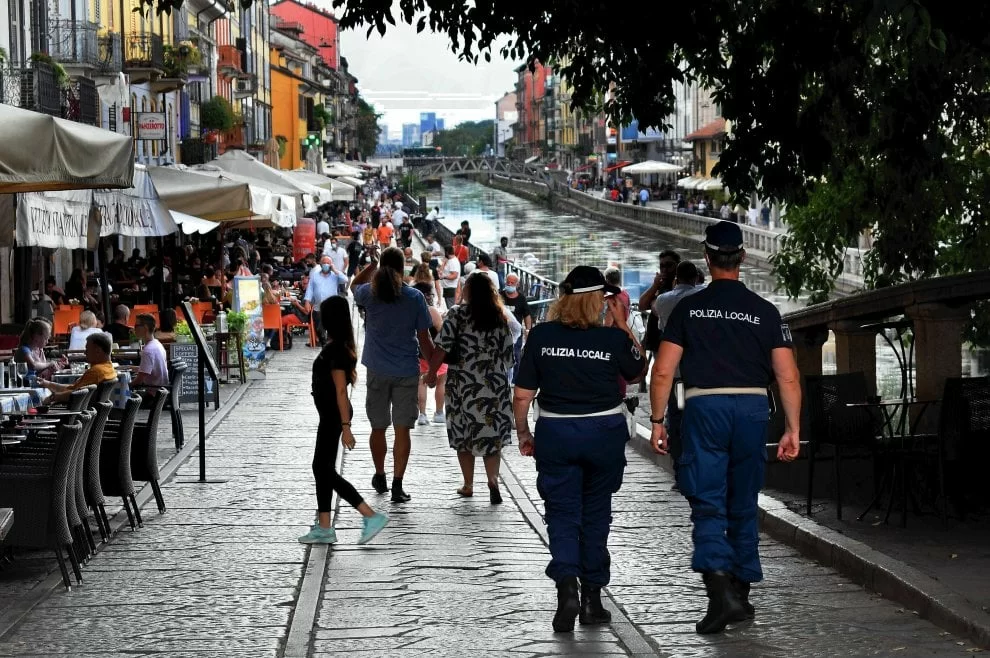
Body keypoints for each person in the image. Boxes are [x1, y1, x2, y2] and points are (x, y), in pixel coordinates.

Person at [648, 221, 801, 635]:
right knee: (744, 498)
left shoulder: (687, 309)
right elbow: (787, 376)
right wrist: (793, 428)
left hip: (704, 407)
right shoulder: (766, 311)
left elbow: (662, 371)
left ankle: (720, 593)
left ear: (707, 258)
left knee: (708, 499)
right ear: (743, 259)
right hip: (753, 406)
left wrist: (658, 420)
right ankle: (742, 590)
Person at [513, 266, 646, 632]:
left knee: (562, 513)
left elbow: (523, 395)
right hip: (603, 431)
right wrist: (623, 326)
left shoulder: (540, 335)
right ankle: (592, 600)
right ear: (597, 301)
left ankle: (566, 589)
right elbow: (638, 371)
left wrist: (524, 432)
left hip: (557, 431)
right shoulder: (612, 339)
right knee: (596, 514)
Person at [299, 296, 390, 545]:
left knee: (323, 469)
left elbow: (341, 390)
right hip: (330, 414)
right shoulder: (337, 346)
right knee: (322, 469)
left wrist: (345, 428)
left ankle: (369, 515)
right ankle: (325, 526)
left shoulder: (336, 350)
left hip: (334, 415)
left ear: (331, 319)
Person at [349, 246, 436, 503]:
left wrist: (373, 264)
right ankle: (398, 484)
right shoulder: (415, 297)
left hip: (376, 368)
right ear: (403, 269)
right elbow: (425, 339)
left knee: (378, 427)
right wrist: (433, 368)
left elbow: (355, 285)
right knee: (402, 430)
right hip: (406, 371)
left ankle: (380, 474)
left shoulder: (370, 293)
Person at [426, 274, 521, 503]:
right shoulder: (499, 317)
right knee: (491, 434)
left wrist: (431, 373)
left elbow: (442, 347)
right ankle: (492, 480)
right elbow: (509, 357)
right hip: (494, 384)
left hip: (463, 383)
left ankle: (468, 484)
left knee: (463, 432)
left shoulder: (457, 314)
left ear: (467, 290)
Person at [651, 260, 703, 487]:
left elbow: (654, 313)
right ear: (695, 279)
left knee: (678, 418)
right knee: (700, 420)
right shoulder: (703, 296)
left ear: (676, 280)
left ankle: (681, 470)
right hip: (701, 375)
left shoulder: (664, 300)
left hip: (677, 374)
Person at [39, 333, 117, 404]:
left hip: (76, 414)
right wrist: (48, 384)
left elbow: (75, 394)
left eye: (87, 349)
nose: (85, 352)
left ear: (97, 351)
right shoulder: (109, 369)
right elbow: (74, 389)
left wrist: (53, 397)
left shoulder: (96, 371)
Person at [412, 282, 446, 425]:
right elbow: (442, 331)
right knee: (441, 382)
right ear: (426, 295)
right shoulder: (432, 311)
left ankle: (422, 414)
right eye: (431, 294)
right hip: (435, 352)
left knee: (421, 383)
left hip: (418, 352)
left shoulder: (411, 310)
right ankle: (439, 412)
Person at [304, 255, 345, 345]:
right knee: (319, 330)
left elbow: (344, 280)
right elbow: (310, 289)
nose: (326, 265)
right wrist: (307, 301)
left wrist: (335, 270)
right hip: (318, 307)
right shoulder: (315, 275)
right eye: (324, 263)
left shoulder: (335, 275)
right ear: (320, 264)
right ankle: (323, 344)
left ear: (331, 264)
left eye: (328, 263)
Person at [500, 272, 532, 383]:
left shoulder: (521, 299)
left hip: (516, 333)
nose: (509, 284)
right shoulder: (500, 296)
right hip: (501, 332)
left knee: (516, 356)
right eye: (508, 282)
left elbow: (527, 316)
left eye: (512, 283)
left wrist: (528, 330)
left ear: (517, 284)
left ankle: (514, 380)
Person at [131, 313, 169, 387]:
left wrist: (127, 385)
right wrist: (129, 367)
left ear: (145, 328)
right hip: (162, 390)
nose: (134, 328)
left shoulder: (148, 350)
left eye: (136, 326)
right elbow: (149, 369)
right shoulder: (157, 344)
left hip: (151, 393)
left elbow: (139, 380)